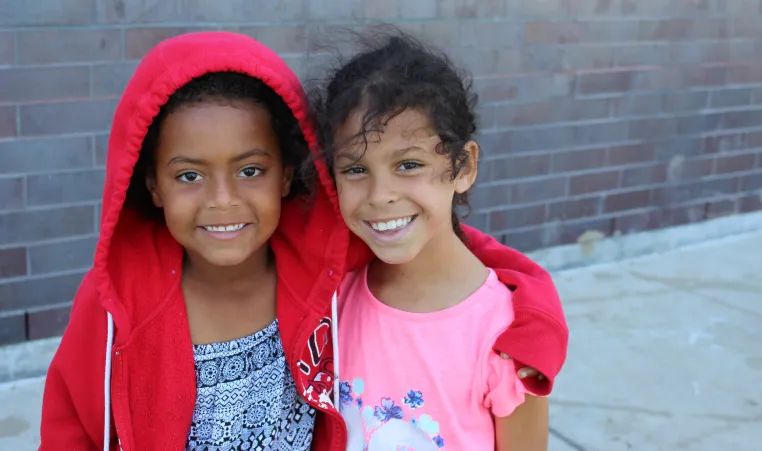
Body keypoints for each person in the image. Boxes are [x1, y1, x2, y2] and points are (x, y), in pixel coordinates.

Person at [39, 31, 565, 451]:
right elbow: (69, 431)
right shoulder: (116, 303)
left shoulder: (318, 265)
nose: (222, 200)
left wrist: (533, 313)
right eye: (188, 176)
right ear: (150, 182)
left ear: (288, 174)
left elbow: (448, 247)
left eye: (250, 170)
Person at [313, 31, 564, 450]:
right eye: (355, 170)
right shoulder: (333, 297)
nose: (380, 195)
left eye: (409, 164)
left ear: (464, 167)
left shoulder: (507, 336)